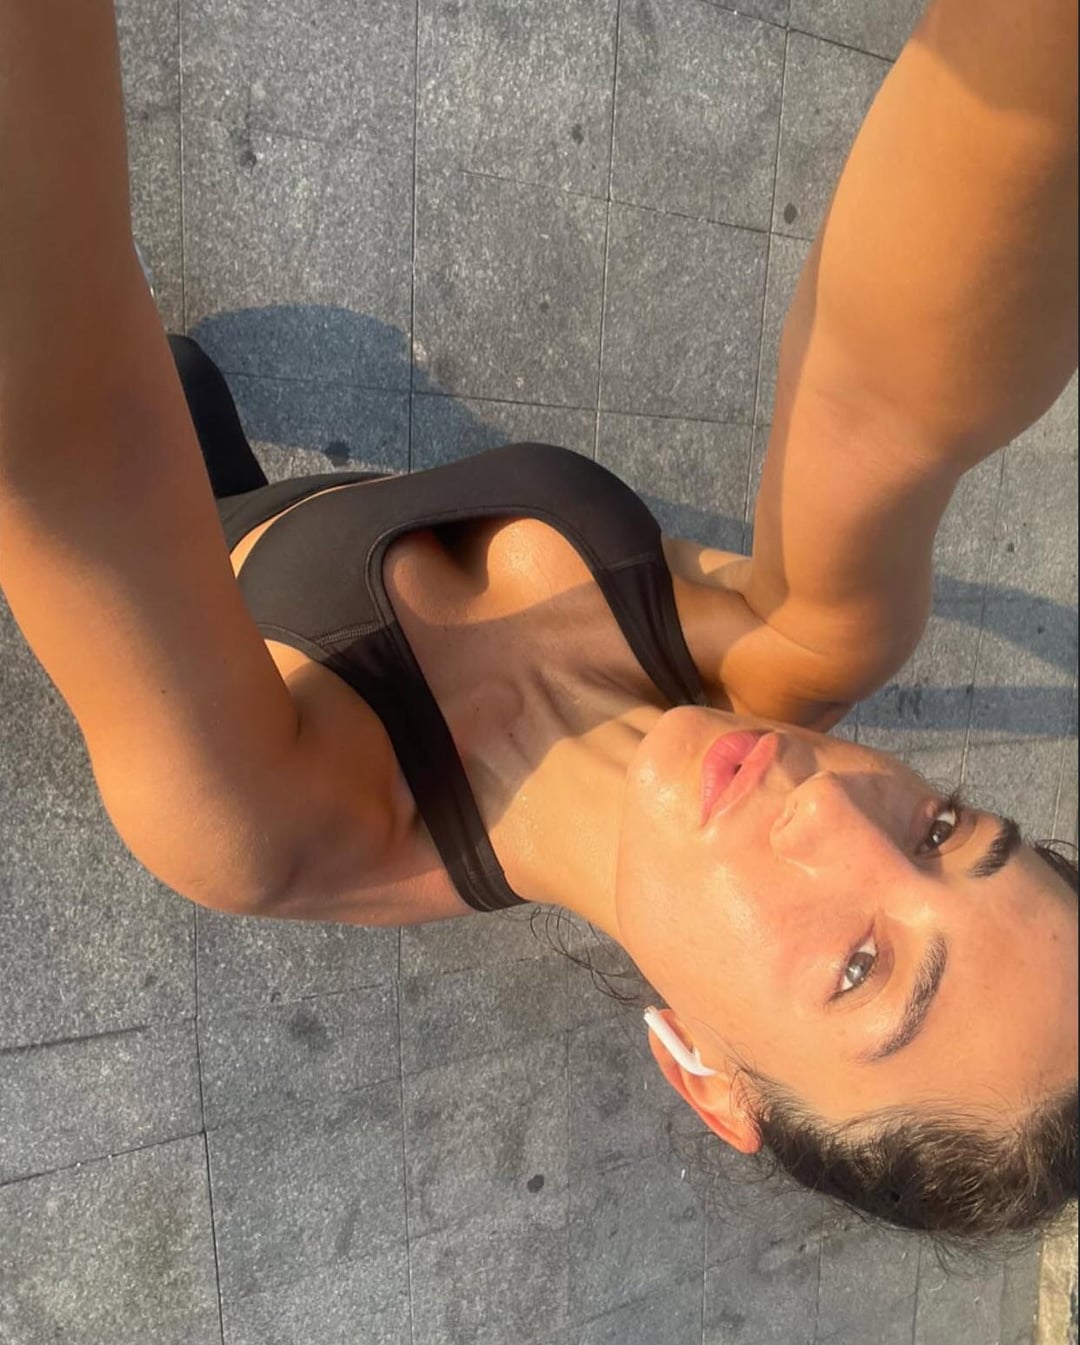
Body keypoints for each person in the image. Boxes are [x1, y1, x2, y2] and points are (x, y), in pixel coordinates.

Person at [1, 0, 1075, 1243]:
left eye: (861, 966)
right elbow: (894, 401)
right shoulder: (788, 646)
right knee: (183, 372)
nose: (832, 807)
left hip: (133, 450)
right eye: (943, 829)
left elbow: (71, 445)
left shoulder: (281, 828)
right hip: (193, 436)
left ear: (706, 1078)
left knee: (146, 372)